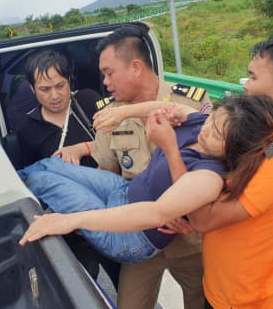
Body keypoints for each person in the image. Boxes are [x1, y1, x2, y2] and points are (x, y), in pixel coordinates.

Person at [17, 95, 273, 266]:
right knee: (51, 165)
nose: (206, 129)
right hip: (125, 191)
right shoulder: (201, 122)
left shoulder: (209, 176)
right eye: (213, 119)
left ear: (233, 148)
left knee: (42, 181)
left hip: (130, 235)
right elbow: (167, 107)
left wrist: (69, 220)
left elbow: (156, 213)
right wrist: (124, 113)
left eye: (217, 133)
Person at [162, 34, 273, 309]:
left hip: (245, 300)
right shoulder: (272, 132)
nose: (246, 87)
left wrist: (169, 149)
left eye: (252, 78)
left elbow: (204, 220)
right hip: (236, 287)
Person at [89, 24, 212, 309]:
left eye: (109, 73)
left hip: (190, 239)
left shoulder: (190, 101)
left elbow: (213, 166)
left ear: (135, 67)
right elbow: (107, 174)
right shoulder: (109, 114)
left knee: (202, 303)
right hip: (141, 239)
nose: (105, 82)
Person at [15, 49, 121, 287]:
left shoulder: (88, 101)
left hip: (110, 214)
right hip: (70, 228)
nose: (55, 95)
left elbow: (121, 143)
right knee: (80, 289)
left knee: (125, 283)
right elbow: (32, 179)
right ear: (32, 90)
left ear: (69, 82)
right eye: (44, 89)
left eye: (60, 86)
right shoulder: (27, 129)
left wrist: (83, 147)